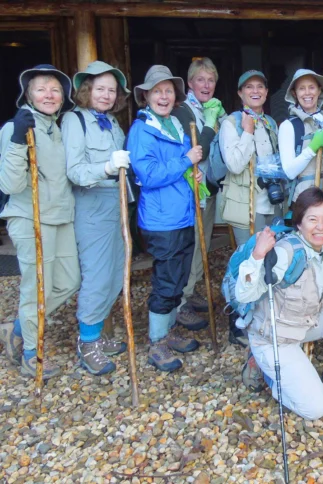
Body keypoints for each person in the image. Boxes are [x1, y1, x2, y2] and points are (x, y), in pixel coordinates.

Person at [238, 187, 323, 420]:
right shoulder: (286, 252)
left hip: (306, 321)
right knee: (315, 408)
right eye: (312, 219)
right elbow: (245, 295)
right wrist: (258, 256)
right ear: (299, 223)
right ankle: (265, 367)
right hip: (275, 337)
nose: (320, 227)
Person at [0, 65, 80, 379]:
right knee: (37, 289)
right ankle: (31, 355)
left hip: (61, 216)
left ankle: (17, 328)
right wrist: (19, 139)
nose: (49, 94)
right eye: (41, 88)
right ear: (28, 94)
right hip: (30, 217)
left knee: (69, 281)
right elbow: (9, 184)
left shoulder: (56, 127)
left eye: (55, 89)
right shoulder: (16, 127)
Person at [128, 65, 204, 372]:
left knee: (180, 278)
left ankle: (169, 332)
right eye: (157, 91)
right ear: (146, 96)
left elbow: (181, 167)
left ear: (176, 96)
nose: (163, 96)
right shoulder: (142, 131)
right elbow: (148, 174)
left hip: (182, 214)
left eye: (168, 91)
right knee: (166, 282)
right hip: (162, 219)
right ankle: (157, 342)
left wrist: (193, 172)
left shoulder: (174, 124)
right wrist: (186, 160)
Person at [61, 61, 130, 375]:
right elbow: (74, 171)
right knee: (98, 276)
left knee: (116, 274)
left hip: (117, 204)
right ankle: (87, 343)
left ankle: (97, 335)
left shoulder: (112, 122)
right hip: (92, 205)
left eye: (111, 90)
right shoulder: (75, 121)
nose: (106, 95)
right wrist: (105, 168)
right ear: (87, 90)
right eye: (100, 88)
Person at [220, 70, 280, 346]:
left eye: (260, 86)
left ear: (266, 93)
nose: (255, 91)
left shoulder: (270, 122)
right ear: (240, 93)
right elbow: (233, 164)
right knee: (244, 262)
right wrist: (247, 132)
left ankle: (260, 316)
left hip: (271, 203)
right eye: (249, 87)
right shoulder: (230, 123)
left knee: (269, 261)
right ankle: (237, 320)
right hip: (246, 205)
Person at [171, 57, 225, 333]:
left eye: (211, 80)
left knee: (201, 243)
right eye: (200, 79)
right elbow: (197, 149)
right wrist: (212, 124)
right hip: (190, 190)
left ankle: (190, 291)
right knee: (190, 245)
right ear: (190, 83)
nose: (206, 85)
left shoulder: (212, 109)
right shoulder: (183, 111)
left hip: (209, 189)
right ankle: (179, 303)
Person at [279, 69, 323, 244]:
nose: (307, 93)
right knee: (307, 249)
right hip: (306, 199)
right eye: (302, 88)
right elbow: (289, 171)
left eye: (311, 87)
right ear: (295, 94)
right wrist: (312, 149)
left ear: (319, 91)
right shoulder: (289, 126)